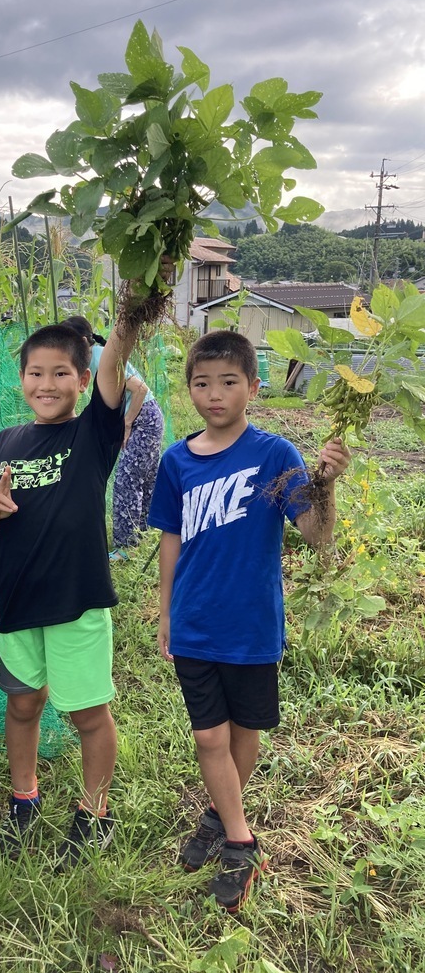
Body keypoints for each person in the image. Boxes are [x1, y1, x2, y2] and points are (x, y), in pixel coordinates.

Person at [147, 330, 350, 912]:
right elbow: (170, 538)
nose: (214, 394)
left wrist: (326, 482)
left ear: (253, 388)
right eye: (202, 383)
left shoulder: (275, 455)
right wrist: (165, 611)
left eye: (228, 382)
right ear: (189, 390)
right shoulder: (177, 461)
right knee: (208, 734)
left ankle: (217, 815)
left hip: (253, 625)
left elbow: (317, 535)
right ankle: (242, 842)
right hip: (194, 622)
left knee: (243, 734)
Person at [0, 320, 140, 869]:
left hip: (77, 604)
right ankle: (25, 798)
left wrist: (132, 310)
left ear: (84, 379)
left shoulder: (93, 433)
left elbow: (116, 362)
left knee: (89, 713)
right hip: (18, 605)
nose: (46, 383)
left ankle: (95, 813)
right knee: (23, 706)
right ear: (21, 378)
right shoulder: (5, 442)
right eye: (35, 373)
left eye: (61, 373)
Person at [61, 316, 165, 560]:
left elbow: (140, 389)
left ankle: (126, 547)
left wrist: (127, 422)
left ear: (84, 341)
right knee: (144, 478)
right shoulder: (95, 355)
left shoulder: (96, 357)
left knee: (127, 481)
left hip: (143, 417)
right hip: (149, 416)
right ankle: (144, 532)